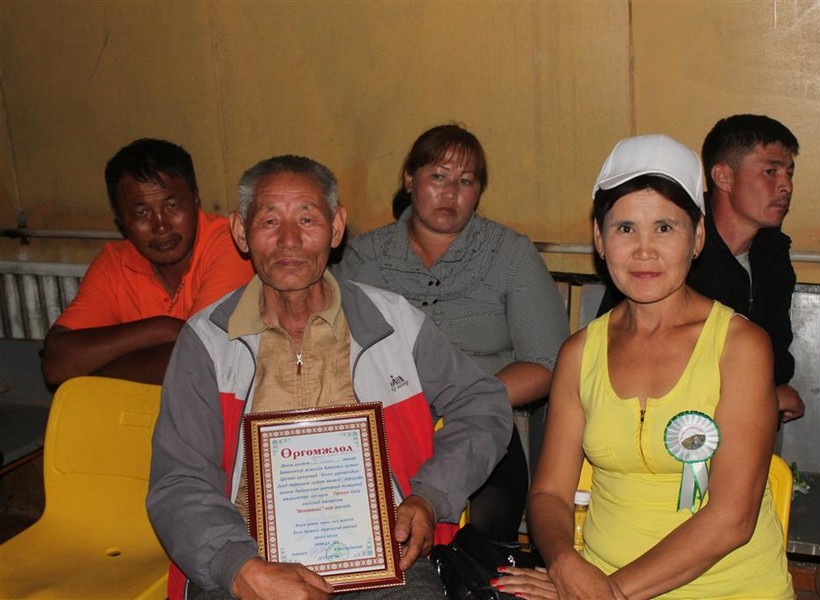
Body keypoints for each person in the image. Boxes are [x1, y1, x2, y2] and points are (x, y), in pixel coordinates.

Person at [146, 155, 512, 600]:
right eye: (269, 221)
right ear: (240, 232)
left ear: (336, 228)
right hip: (248, 559)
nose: (289, 240)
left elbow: (483, 404)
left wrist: (430, 496)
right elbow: (178, 479)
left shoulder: (392, 323)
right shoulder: (208, 341)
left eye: (307, 219)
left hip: (382, 560)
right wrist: (237, 566)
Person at [493, 134, 793, 599]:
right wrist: (567, 566)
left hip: (726, 589)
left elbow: (732, 518)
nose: (644, 250)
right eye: (625, 228)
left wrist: (601, 594)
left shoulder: (740, 347)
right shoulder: (580, 353)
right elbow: (550, 494)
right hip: (596, 582)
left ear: (698, 237)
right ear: (599, 238)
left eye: (665, 228)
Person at [334, 124, 570, 541]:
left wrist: (469, 401)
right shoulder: (364, 257)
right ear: (410, 179)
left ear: (478, 192)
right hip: (382, 423)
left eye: (465, 181)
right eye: (438, 177)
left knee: (478, 535)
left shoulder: (509, 254)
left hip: (483, 424)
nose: (449, 193)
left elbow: (548, 362)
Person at [597, 115, 804, 423]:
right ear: (723, 177)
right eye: (770, 171)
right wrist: (763, 397)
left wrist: (765, 393)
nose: (785, 185)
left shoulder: (772, 254)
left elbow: (777, 358)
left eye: (789, 173)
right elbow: (622, 359)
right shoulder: (670, 259)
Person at [41, 138, 254, 386]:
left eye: (172, 205)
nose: (161, 225)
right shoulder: (115, 263)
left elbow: (203, 360)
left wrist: (88, 372)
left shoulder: (230, 244)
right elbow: (56, 364)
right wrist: (161, 328)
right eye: (142, 212)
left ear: (196, 200)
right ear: (120, 219)